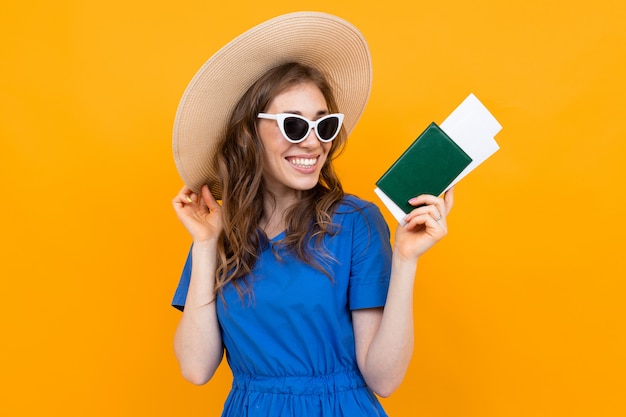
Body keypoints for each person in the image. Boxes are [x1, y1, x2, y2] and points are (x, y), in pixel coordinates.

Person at [170, 11, 453, 417]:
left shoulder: (356, 222)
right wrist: (205, 244)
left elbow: (384, 379)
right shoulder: (220, 233)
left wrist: (406, 259)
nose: (313, 144)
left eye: (324, 126)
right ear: (249, 133)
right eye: (294, 126)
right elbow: (196, 368)